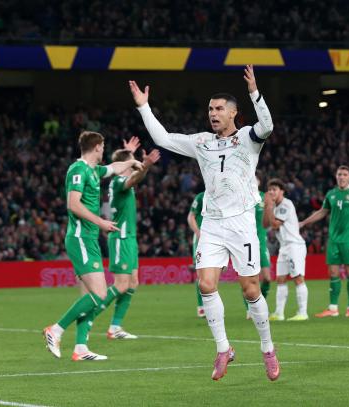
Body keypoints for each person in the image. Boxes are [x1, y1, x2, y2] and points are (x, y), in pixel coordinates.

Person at [129, 65, 280, 381]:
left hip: (241, 224)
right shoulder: (201, 142)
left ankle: (267, 348)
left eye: (219, 109)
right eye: (210, 108)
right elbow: (162, 137)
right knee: (206, 284)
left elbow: (267, 124)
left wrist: (255, 91)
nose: (213, 113)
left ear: (233, 114)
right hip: (211, 223)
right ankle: (224, 348)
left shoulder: (248, 137)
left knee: (251, 290)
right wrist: (143, 106)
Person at [43, 131, 143, 361]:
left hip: (88, 239)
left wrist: (132, 161)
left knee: (89, 294)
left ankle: (80, 348)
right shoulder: (78, 170)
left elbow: (114, 168)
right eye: (103, 146)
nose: (104, 150)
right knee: (99, 293)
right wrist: (101, 223)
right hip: (80, 238)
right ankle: (55, 330)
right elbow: (73, 204)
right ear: (97, 147)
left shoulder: (94, 171)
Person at [106, 139, 161, 339]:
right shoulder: (120, 181)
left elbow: (129, 170)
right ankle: (89, 311)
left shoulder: (120, 180)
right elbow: (133, 179)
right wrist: (145, 165)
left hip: (129, 238)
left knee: (133, 283)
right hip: (121, 238)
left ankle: (115, 328)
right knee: (120, 285)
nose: (135, 162)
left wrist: (127, 152)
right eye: (132, 161)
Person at [299, 165, 349, 318]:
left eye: (344, 174)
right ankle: (333, 308)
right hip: (333, 240)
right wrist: (304, 222)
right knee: (333, 273)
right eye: (339, 174)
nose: (341, 177)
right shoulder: (331, 194)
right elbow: (322, 212)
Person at [263, 178, 309, 321]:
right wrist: (267, 207)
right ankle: (279, 313)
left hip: (295, 245)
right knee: (280, 279)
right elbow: (265, 224)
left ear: (281, 191)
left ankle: (303, 312)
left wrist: (270, 207)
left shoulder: (286, 204)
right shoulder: (274, 206)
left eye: (274, 189)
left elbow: (275, 225)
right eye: (270, 189)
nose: (271, 192)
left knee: (297, 277)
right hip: (284, 247)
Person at [245, 177, 272, 319]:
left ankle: (261, 303)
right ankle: (250, 309)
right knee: (248, 279)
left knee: (267, 278)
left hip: (261, 242)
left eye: (255, 179)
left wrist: (269, 207)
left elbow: (267, 224)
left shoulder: (264, 197)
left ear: (259, 182)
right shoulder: (243, 196)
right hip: (245, 242)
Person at [187, 191, 206, 318]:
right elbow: (191, 216)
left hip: (217, 239)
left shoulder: (221, 195)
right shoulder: (200, 197)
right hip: (201, 239)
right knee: (201, 273)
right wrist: (198, 232)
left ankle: (210, 305)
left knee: (213, 273)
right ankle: (201, 307)